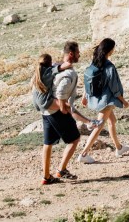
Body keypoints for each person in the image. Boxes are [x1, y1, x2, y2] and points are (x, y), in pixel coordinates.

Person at [78, 38, 129, 163]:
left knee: (112, 121)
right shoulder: (109, 66)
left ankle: (119, 148)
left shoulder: (95, 62)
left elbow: (88, 80)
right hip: (106, 101)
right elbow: (114, 87)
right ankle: (83, 154)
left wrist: (85, 95)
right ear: (110, 50)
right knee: (99, 125)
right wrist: (123, 101)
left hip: (98, 99)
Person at [36, 41, 84, 185]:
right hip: (55, 109)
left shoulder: (45, 70)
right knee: (74, 139)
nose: (79, 55)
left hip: (45, 111)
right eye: (77, 52)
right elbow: (61, 92)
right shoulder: (62, 71)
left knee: (48, 143)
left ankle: (46, 177)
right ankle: (61, 170)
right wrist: (63, 107)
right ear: (71, 54)